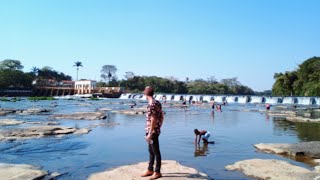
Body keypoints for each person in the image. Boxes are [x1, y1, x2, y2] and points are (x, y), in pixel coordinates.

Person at [141, 86, 164, 180]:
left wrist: (151, 133)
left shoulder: (152, 104)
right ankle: (150, 169)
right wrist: (159, 127)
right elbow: (162, 116)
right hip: (153, 130)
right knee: (151, 151)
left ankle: (157, 172)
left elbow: (153, 119)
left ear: (145, 93)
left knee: (156, 151)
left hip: (152, 132)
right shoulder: (157, 102)